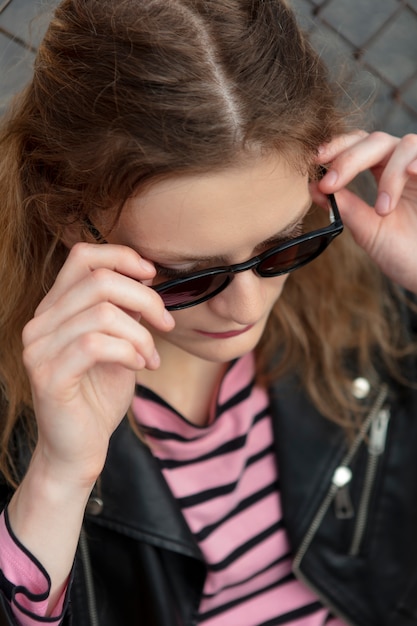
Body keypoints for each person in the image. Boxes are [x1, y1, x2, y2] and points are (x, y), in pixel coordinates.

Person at [0, 0, 417, 624]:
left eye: (282, 244)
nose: (245, 308)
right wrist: (58, 481)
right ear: (68, 215)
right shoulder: (20, 410)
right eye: (189, 273)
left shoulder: (364, 304)